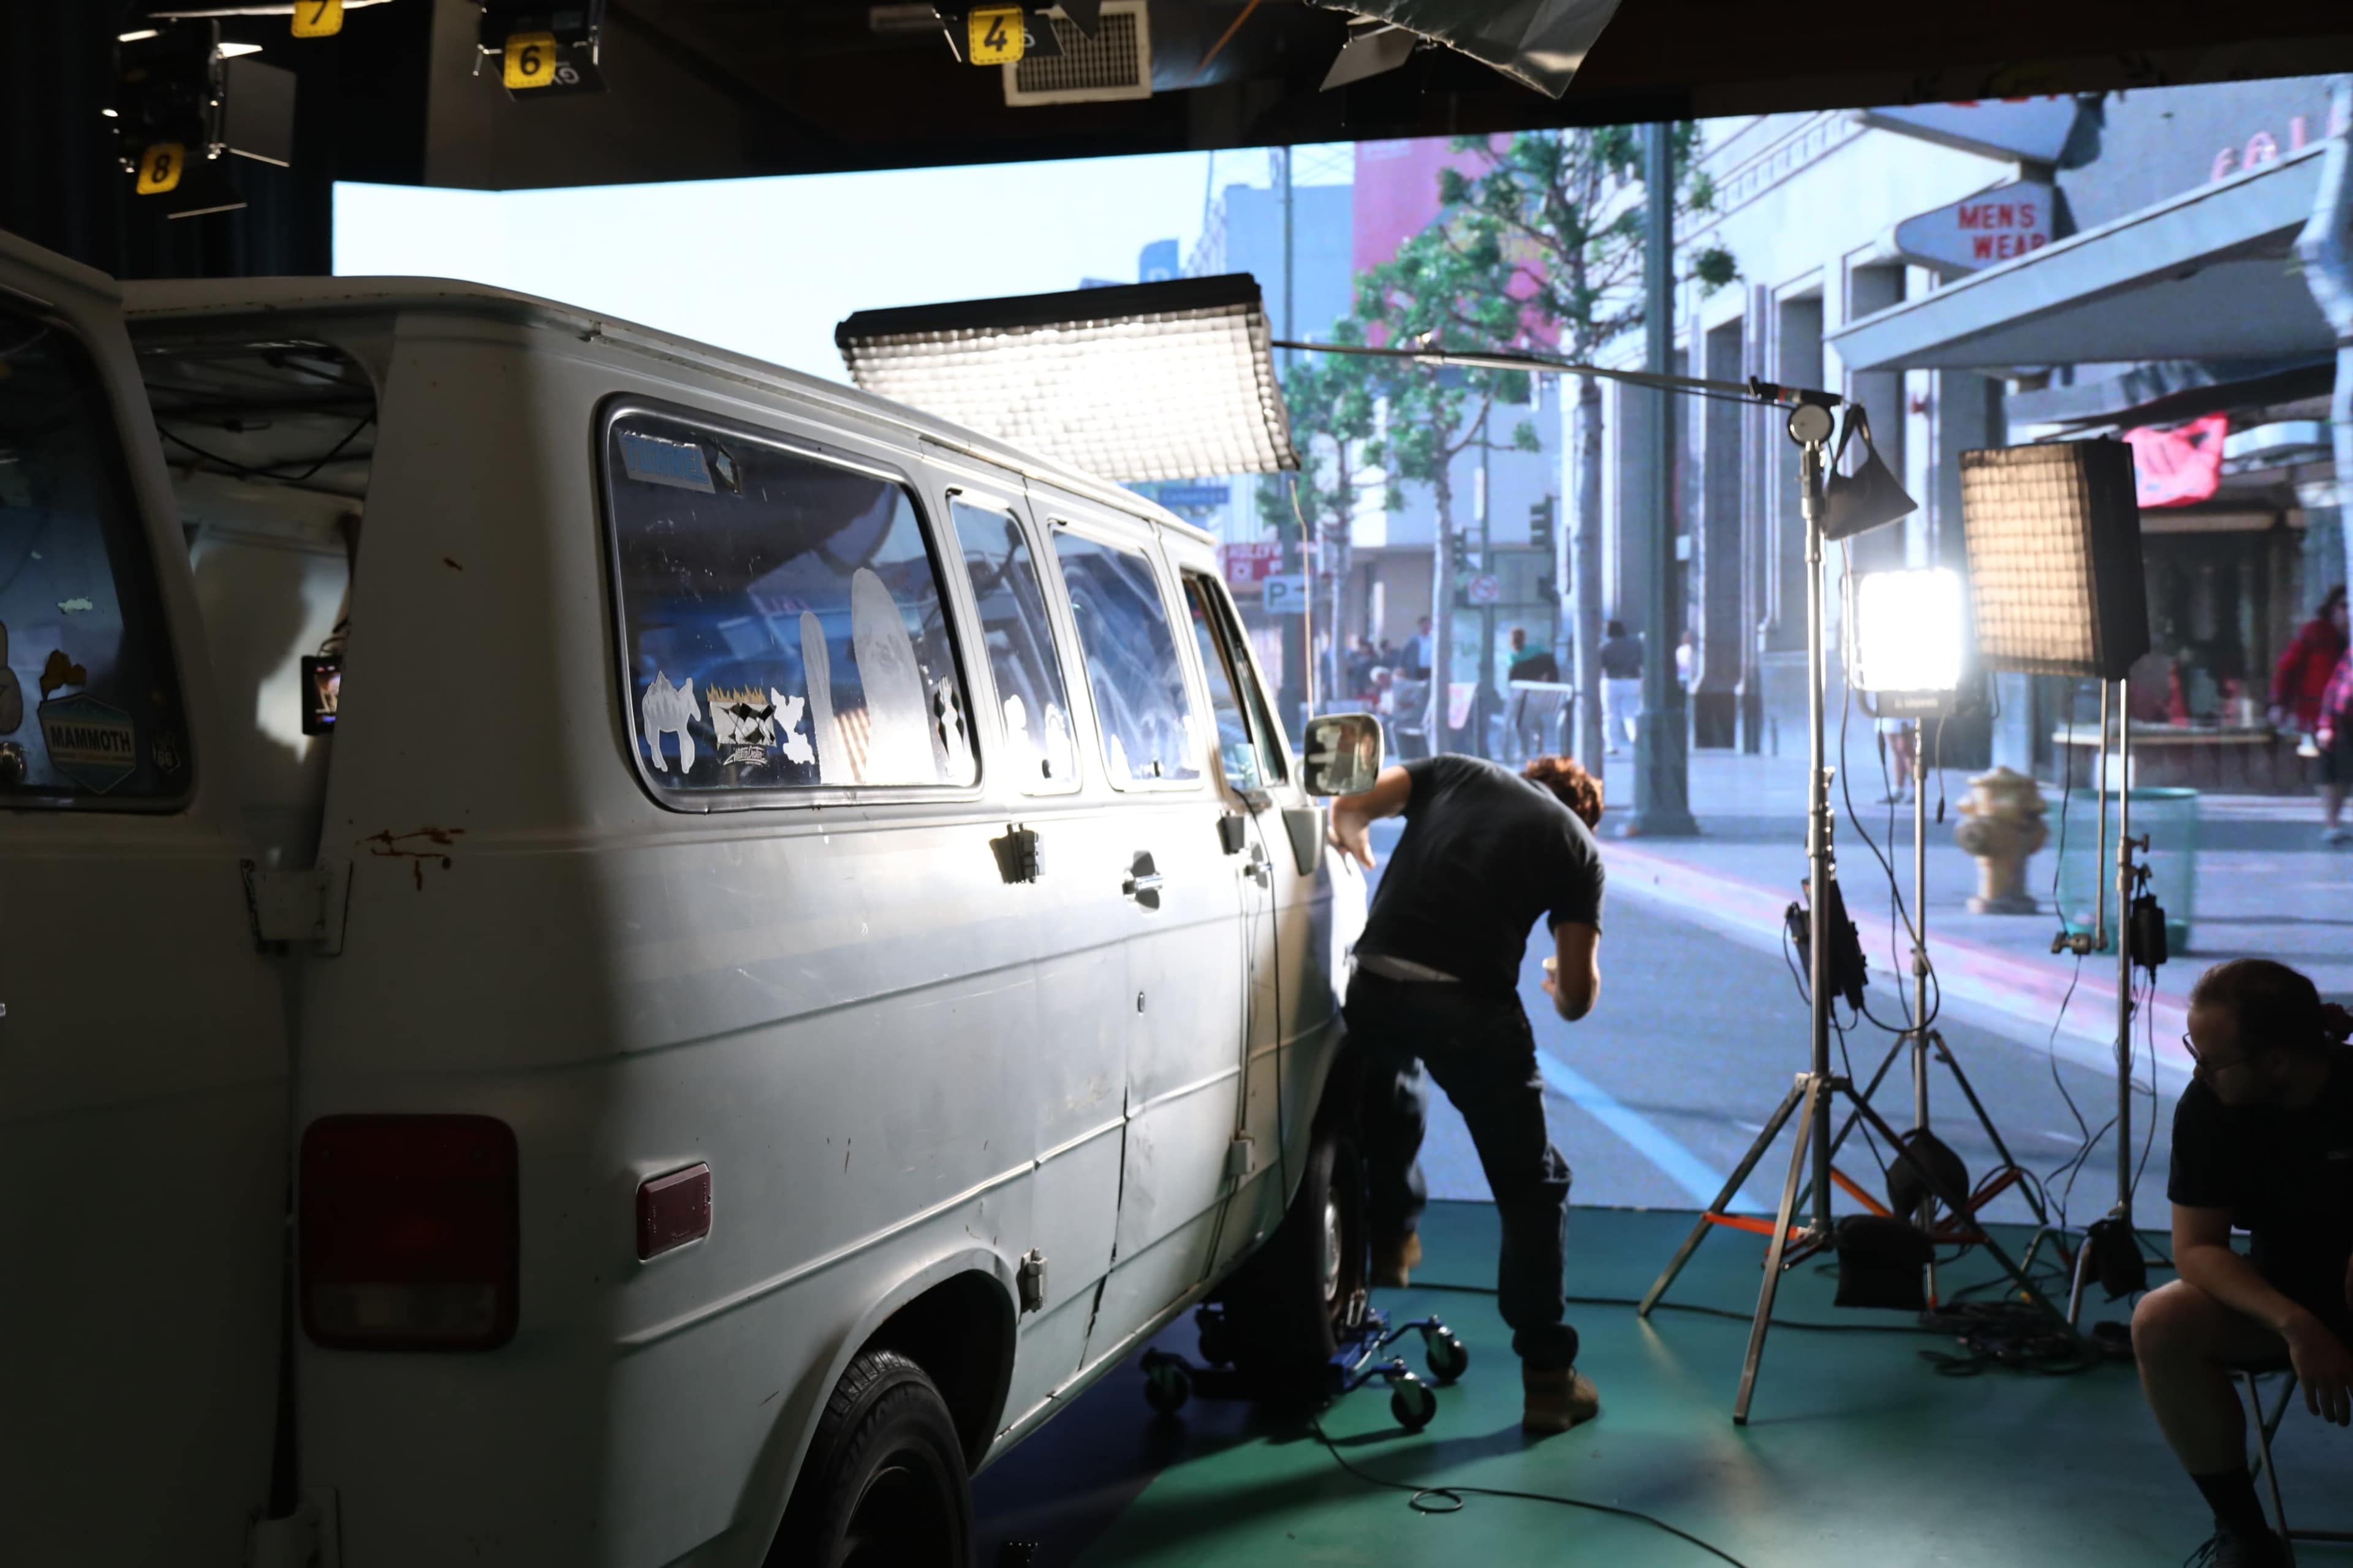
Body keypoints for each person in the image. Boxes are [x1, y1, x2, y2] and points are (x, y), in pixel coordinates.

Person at [1327, 752, 1607, 1436]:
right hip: (1468, 1007)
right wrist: (1555, 981)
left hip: (1374, 980)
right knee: (1532, 1186)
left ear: (1527, 772)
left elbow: (1352, 803)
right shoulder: (1578, 846)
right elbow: (1574, 997)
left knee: (1391, 1081)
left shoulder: (1459, 771)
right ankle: (1548, 1379)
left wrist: (1352, 829)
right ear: (1584, 810)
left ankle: (1392, 1235)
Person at [2131, 959, 2353, 1568]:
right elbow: (2197, 1248)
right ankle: (2244, 1535)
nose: (2199, 1071)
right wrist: (2295, 1323)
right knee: (2160, 1319)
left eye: (2213, 1059)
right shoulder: (2210, 1107)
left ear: (2277, 1061)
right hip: (2287, 1291)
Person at [2276, 588, 2352, 843]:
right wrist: (2279, 702)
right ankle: (2332, 821)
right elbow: (2288, 668)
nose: (2348, 612)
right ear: (2332, 608)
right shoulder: (2316, 632)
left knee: (2343, 767)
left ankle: (2334, 818)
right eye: (2344, 606)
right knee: (2329, 765)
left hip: (2346, 714)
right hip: (2320, 712)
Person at [1599, 619, 1642, 755]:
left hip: (1612, 680)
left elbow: (1600, 665)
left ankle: (1612, 746)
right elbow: (1643, 661)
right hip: (1633, 680)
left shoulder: (1605, 646)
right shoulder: (1636, 644)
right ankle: (1635, 739)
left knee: (1611, 715)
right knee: (1631, 713)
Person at [1403, 616, 1434, 681]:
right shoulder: (1413, 641)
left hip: (1432, 669)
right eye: (1423, 625)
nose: (1426, 627)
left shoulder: (1434, 640)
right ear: (1420, 626)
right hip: (1418, 670)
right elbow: (1405, 655)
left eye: (1427, 624)